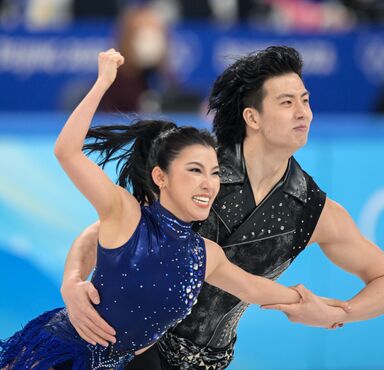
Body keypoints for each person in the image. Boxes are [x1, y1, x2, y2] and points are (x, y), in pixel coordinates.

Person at [61, 46, 384, 370]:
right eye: (287, 102)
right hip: (134, 350)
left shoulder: (314, 211)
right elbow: (104, 231)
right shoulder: (199, 171)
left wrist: (340, 312)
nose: (303, 112)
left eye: (305, 100)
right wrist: (73, 282)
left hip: (210, 362)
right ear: (252, 117)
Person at [0, 49, 346, 369]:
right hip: (58, 356)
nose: (208, 184)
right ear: (160, 177)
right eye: (194, 171)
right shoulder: (127, 215)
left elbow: (255, 289)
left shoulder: (205, 255)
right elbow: (67, 152)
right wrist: (103, 82)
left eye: (214, 173)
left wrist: (318, 307)